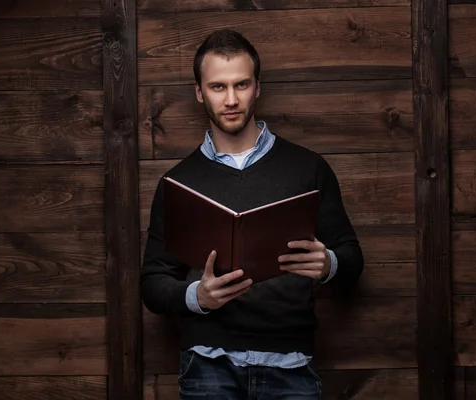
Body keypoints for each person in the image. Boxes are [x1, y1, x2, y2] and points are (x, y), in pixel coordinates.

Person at [140, 28, 364, 399]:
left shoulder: (308, 169)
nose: (231, 99)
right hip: (207, 364)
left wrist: (329, 265)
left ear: (257, 87)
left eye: (241, 85)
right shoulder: (178, 182)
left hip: (290, 362)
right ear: (199, 92)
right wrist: (199, 297)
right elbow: (152, 283)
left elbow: (352, 259)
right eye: (218, 87)